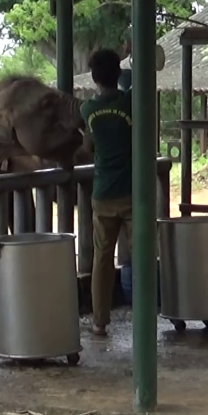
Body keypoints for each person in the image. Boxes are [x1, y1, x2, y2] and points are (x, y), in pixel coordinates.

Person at [80, 47, 133, 338]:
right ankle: (145, 312)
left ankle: (100, 321)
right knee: (141, 256)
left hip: (102, 193)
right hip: (133, 192)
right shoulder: (129, 104)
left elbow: (87, 147)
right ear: (118, 74)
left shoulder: (87, 110)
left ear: (94, 78)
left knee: (102, 258)